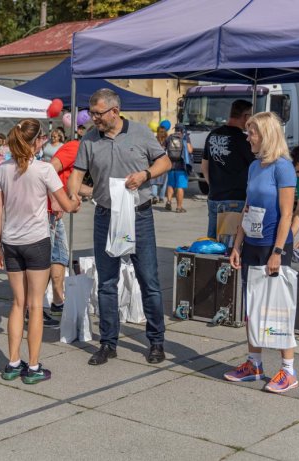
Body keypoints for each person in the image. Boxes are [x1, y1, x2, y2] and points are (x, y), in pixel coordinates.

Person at [67, 88, 171, 366]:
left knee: (148, 280)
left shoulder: (140, 133)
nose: (93, 119)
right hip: (106, 216)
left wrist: (146, 174)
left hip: (139, 216)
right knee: (107, 283)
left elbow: (165, 161)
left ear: (115, 111)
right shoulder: (89, 138)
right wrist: (73, 195)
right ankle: (108, 343)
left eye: (98, 113)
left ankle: (156, 341)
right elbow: (77, 172)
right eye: (91, 114)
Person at [0, 118, 80, 384]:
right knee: (35, 306)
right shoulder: (43, 169)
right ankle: (32, 367)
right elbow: (64, 203)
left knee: (17, 304)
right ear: (38, 140)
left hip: (11, 241)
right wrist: (76, 202)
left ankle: (12, 362)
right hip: (37, 242)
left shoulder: (3, 169)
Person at [224, 112, 298, 394]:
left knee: (278, 306)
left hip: (273, 245)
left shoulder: (283, 167)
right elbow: (247, 206)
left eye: (251, 132)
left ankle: (288, 370)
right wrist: (237, 244)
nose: (247, 137)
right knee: (252, 306)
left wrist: (277, 251)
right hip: (252, 243)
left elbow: (287, 213)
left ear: (266, 134)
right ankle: (254, 363)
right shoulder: (255, 166)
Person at [47, 139, 93, 317]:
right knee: (43, 261)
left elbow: (72, 183)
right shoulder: (76, 147)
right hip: (47, 209)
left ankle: (58, 303)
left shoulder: (83, 154)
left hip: (55, 212)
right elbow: (50, 169)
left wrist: (100, 191)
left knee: (60, 256)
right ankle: (31, 309)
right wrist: (54, 200)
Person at [202, 100, 255, 239]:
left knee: (212, 244)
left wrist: (213, 185)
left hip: (214, 197)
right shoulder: (244, 140)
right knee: (228, 249)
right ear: (245, 116)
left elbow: (204, 165)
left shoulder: (212, 135)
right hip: (235, 199)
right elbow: (256, 168)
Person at [164, 123, 194, 213]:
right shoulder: (185, 137)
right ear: (182, 130)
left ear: (175, 129)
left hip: (170, 165)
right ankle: (179, 207)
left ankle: (168, 201)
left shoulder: (169, 137)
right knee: (180, 187)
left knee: (170, 185)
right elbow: (190, 150)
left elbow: (162, 148)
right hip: (181, 166)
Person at [151, 125, 169, 204]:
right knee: (164, 182)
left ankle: (154, 196)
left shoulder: (154, 140)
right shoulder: (167, 141)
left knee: (154, 181)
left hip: (155, 163)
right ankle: (161, 197)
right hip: (164, 163)